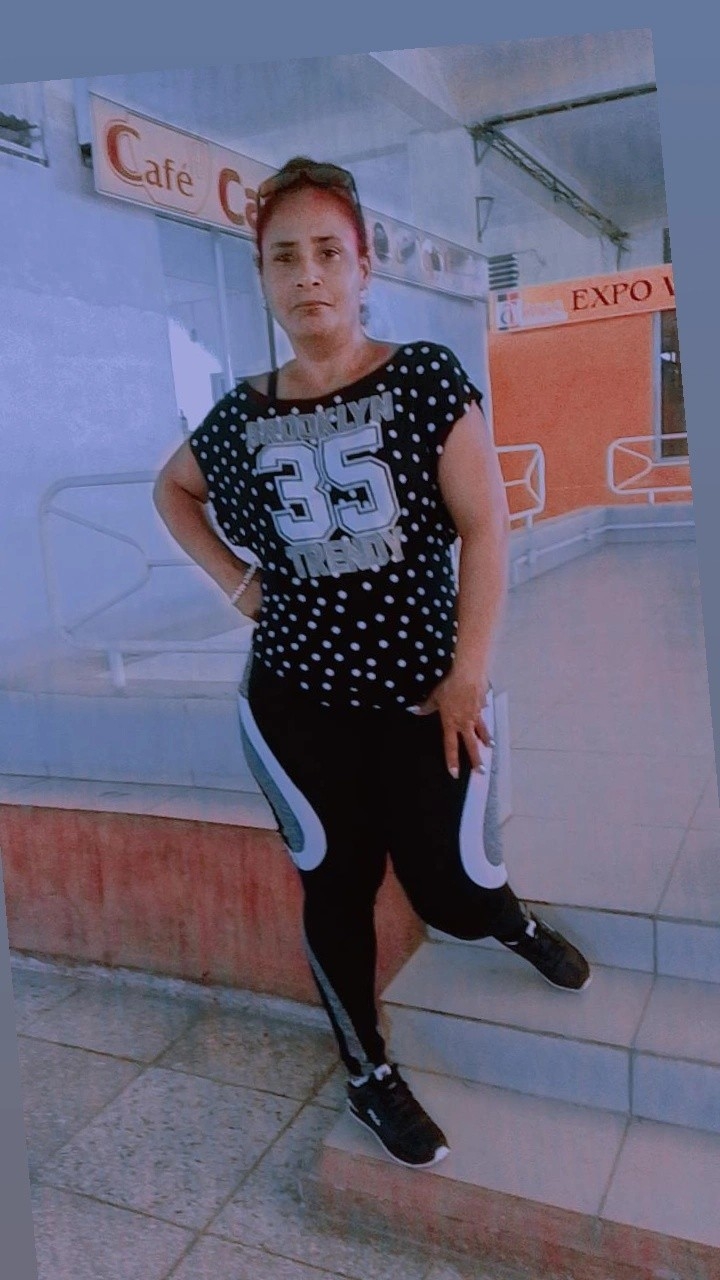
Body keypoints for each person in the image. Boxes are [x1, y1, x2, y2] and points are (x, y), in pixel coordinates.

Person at [153, 156, 591, 1171]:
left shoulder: (424, 379)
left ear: (364, 267)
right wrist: (238, 584)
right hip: (296, 704)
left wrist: (469, 671)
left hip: (423, 695)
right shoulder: (239, 414)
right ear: (263, 276)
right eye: (284, 257)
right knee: (336, 883)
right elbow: (172, 491)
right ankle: (366, 1072)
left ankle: (504, 916)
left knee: (449, 888)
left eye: (327, 253)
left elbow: (486, 529)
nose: (307, 275)